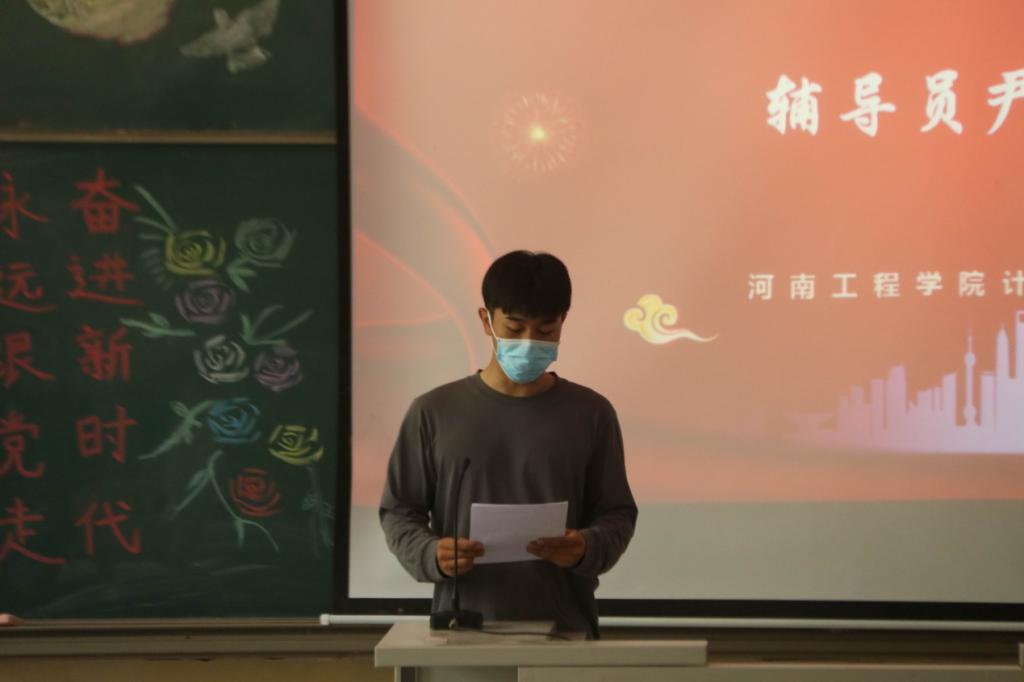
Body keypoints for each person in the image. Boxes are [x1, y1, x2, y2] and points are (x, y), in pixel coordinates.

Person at [379, 250, 637, 638]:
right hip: (461, 632)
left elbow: (617, 513)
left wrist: (587, 546)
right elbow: (399, 511)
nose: (530, 342)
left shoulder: (591, 413)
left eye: (545, 331)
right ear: (486, 320)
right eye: (515, 329)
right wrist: (430, 553)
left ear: (563, 321)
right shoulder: (433, 412)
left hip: (565, 632)